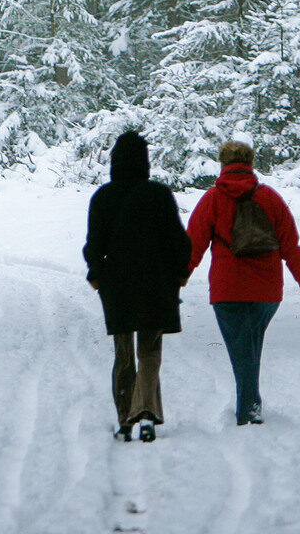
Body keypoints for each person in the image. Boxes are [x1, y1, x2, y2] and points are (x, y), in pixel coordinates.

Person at [185, 140, 300, 426]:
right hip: (267, 292)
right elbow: (290, 245)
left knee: (243, 349)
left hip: (227, 290)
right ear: (250, 164)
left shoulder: (213, 199)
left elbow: (192, 245)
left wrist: (177, 281)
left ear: (223, 164)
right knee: (249, 345)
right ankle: (251, 405)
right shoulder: (270, 198)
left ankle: (249, 409)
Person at [84, 128, 190, 443]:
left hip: (117, 284)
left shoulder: (102, 197)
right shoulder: (159, 194)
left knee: (123, 352)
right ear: (144, 162)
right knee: (150, 349)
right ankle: (146, 413)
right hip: (156, 281)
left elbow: (94, 245)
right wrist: (179, 274)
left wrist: (97, 274)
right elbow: (179, 242)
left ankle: (124, 418)